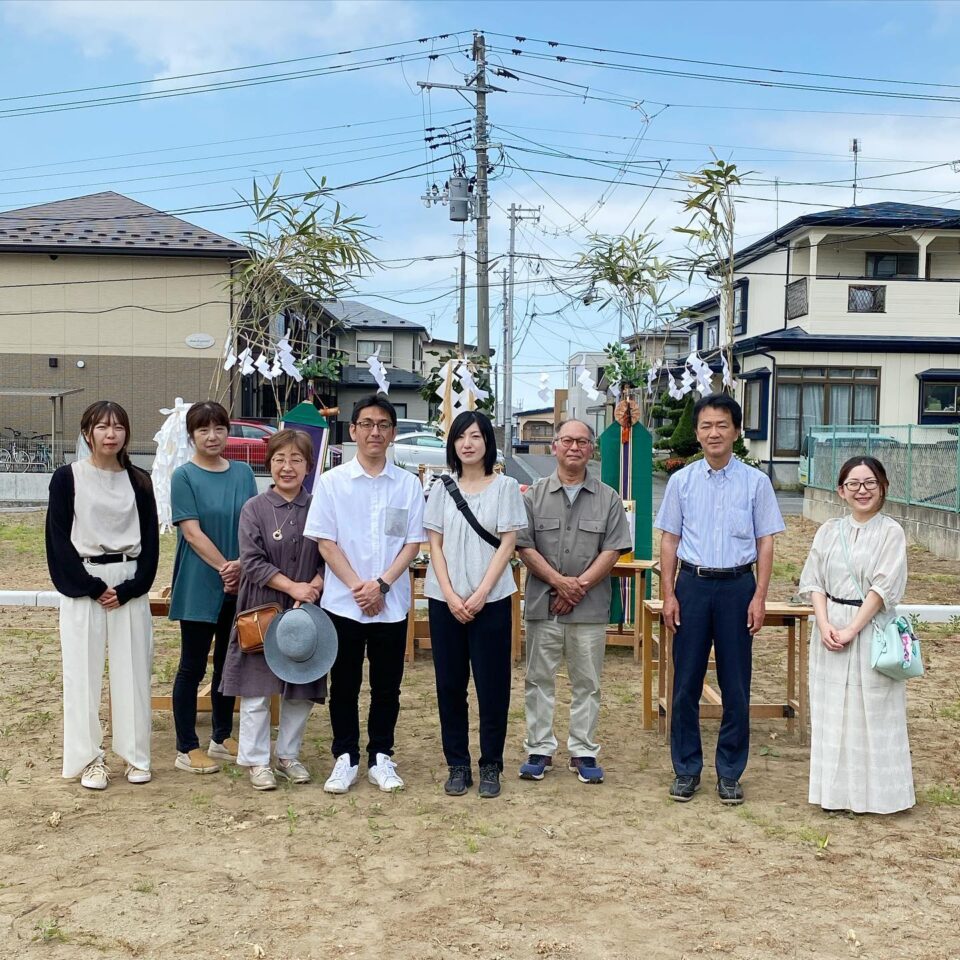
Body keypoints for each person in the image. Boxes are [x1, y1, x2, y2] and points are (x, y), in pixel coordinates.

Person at [655, 393, 785, 805]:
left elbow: (765, 543)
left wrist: (759, 596)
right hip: (692, 587)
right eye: (706, 426)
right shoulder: (681, 481)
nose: (714, 432)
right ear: (696, 432)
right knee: (685, 683)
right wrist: (669, 593)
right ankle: (687, 769)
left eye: (722, 425)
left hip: (736, 588)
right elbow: (670, 540)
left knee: (736, 684)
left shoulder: (756, 482)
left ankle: (730, 771)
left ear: (736, 431)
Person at [304, 395, 425, 794]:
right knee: (345, 682)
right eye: (367, 423)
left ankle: (381, 756)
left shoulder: (408, 484)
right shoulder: (332, 482)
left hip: (390, 604)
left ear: (392, 433)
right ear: (353, 430)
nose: (375, 431)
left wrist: (383, 585)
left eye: (384, 425)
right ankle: (345, 757)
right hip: (344, 603)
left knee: (387, 684)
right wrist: (360, 586)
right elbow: (325, 542)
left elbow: (412, 543)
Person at [45, 401, 159, 789]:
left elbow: (151, 543)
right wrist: (91, 587)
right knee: (82, 673)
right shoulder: (68, 478)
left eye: (118, 427)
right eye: (102, 427)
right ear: (87, 432)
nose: (111, 434)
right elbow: (58, 540)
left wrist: (130, 589)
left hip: (128, 580)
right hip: (85, 581)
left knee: (133, 672)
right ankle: (89, 758)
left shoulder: (140, 480)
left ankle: (134, 755)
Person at [515, 419, 633, 785]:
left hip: (590, 607)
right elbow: (523, 546)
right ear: (554, 447)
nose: (574, 447)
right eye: (567, 440)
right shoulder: (533, 496)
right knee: (538, 679)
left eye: (583, 441)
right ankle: (540, 748)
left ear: (591, 449)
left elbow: (613, 550)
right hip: (543, 603)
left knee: (588, 682)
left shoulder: (609, 498)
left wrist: (576, 587)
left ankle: (583, 750)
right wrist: (557, 583)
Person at [798, 457, 914, 814]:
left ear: (882, 487)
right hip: (829, 626)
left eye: (869, 483)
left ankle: (878, 796)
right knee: (833, 713)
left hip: (870, 628)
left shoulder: (890, 532)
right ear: (841, 491)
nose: (862, 490)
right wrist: (825, 622)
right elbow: (813, 579)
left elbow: (883, 586)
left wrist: (852, 628)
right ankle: (835, 794)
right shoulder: (829, 531)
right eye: (853, 484)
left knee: (874, 711)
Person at [424, 411, 527, 799]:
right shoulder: (441, 487)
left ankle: (491, 765)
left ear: (488, 442)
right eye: (460, 437)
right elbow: (433, 543)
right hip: (444, 600)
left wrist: (482, 591)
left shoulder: (506, 487)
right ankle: (457, 764)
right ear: (452, 444)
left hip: (493, 600)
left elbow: (508, 543)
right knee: (450, 685)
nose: (467, 444)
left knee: (492, 686)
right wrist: (450, 594)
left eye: (475, 436)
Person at [220, 429, 326, 791]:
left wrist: (317, 582)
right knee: (257, 687)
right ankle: (255, 759)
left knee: (301, 686)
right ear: (269, 464)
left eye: (296, 459)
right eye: (280, 459)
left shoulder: (319, 506)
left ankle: (288, 755)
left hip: (305, 608)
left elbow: (333, 550)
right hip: (262, 606)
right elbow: (251, 561)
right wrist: (292, 585)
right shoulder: (255, 508)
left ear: (308, 466)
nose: (287, 466)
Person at [169, 401, 257, 774]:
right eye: (203, 430)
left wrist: (241, 566)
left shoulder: (243, 473)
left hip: (240, 581)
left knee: (228, 662)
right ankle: (186, 746)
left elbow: (253, 521)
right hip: (200, 581)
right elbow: (191, 532)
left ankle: (221, 737)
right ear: (191, 436)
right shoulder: (184, 476)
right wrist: (225, 566)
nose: (212, 436)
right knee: (192, 666)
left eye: (219, 428)